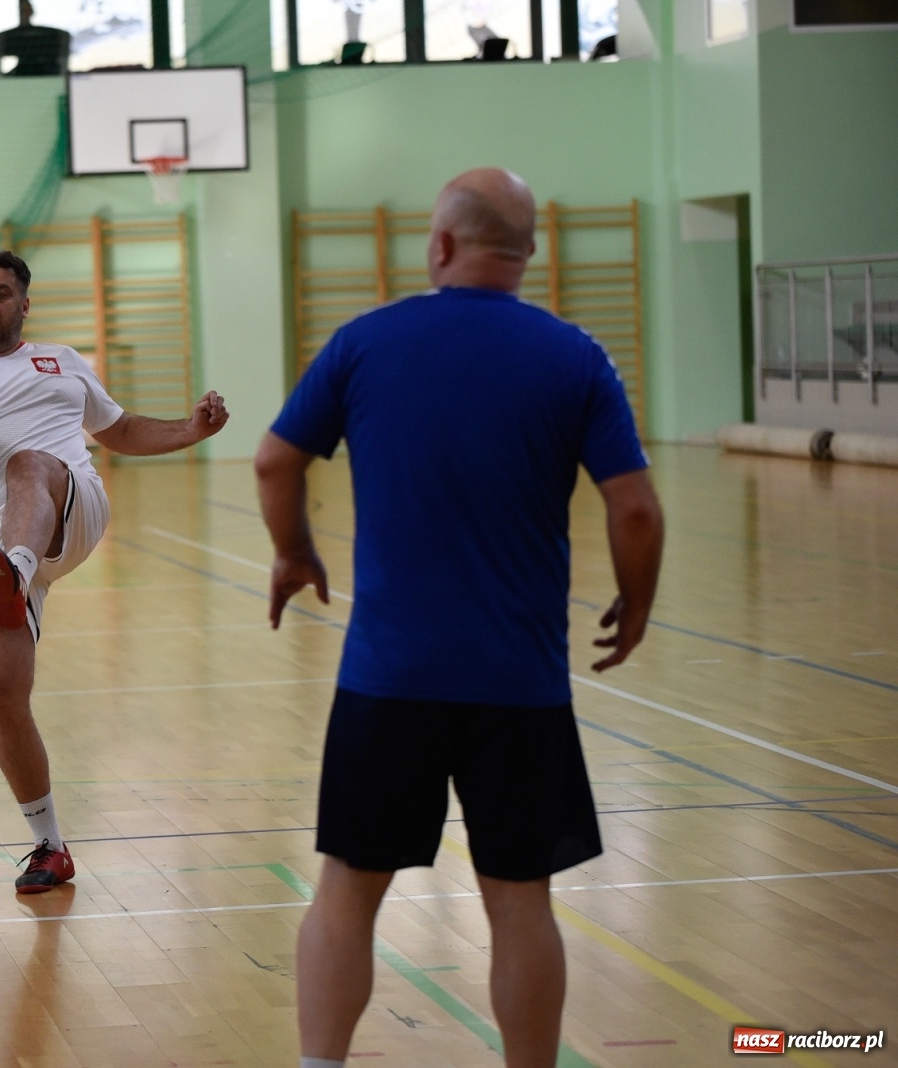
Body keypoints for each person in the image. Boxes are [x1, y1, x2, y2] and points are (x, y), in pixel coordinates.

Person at [255, 168, 664, 1068]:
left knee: (347, 891)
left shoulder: (365, 343)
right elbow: (634, 509)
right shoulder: (575, 356)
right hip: (517, 685)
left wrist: (294, 551)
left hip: (387, 681)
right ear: (527, 253)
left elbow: (275, 462)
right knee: (521, 901)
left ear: (440, 246)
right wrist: (636, 602)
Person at [0, 248, 229, 893]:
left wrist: (191, 430)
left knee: (32, 463)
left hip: (69, 503)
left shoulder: (61, 360)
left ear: (24, 304)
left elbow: (119, 430)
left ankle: (19, 568)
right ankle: (49, 846)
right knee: (2, 692)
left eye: (2, 292)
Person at [0, 0, 70, 76]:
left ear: (31, 12)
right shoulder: (9, 37)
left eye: (27, 10)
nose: (24, 14)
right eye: (22, 11)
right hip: (22, 74)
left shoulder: (50, 36)